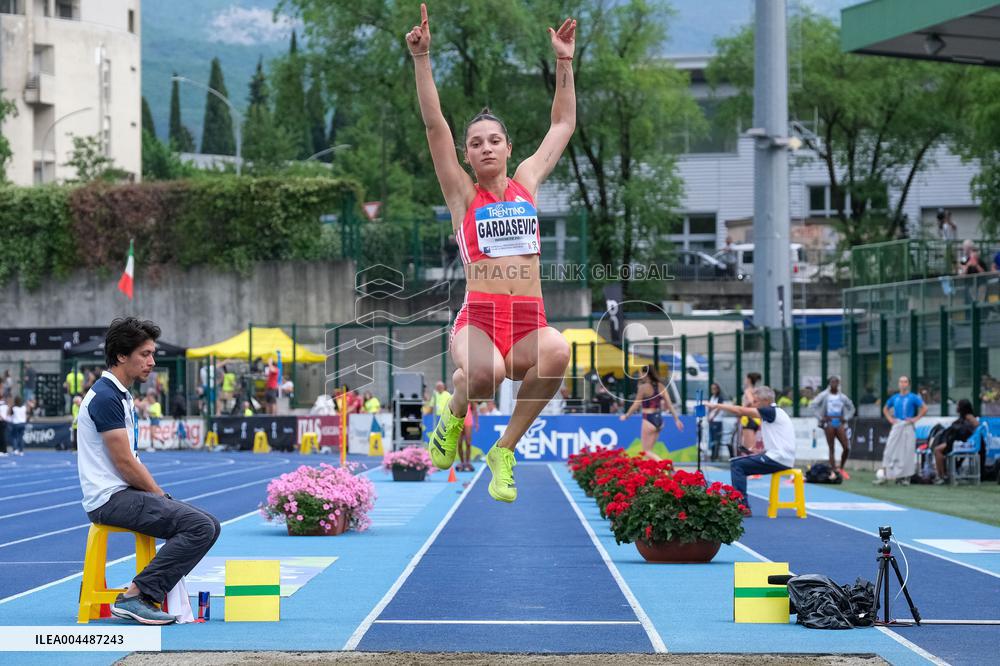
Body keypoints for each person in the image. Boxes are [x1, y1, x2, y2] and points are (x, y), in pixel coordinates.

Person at [408, 4, 576, 502]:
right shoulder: (462, 194)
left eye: (494, 140)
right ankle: (454, 413)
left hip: (529, 315)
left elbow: (563, 124)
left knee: (560, 352)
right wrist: (423, 59)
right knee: (485, 377)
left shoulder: (527, 181)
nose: (485, 148)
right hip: (479, 316)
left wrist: (564, 62)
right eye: (475, 143)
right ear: (467, 154)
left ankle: (503, 450)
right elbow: (435, 125)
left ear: (508, 147)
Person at [77, 317, 220, 624]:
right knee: (200, 527)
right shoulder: (105, 398)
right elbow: (125, 463)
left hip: (123, 494)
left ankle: (146, 592)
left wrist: (159, 496)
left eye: (152, 354)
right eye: (145, 354)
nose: (152, 362)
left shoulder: (119, 395)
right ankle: (136, 595)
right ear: (121, 356)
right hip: (109, 499)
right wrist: (159, 495)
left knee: (209, 523)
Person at [712, 386, 796, 515]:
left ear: (766, 401)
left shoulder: (770, 411)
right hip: (781, 457)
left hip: (780, 459)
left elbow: (739, 410)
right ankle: (740, 503)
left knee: (737, 464)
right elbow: (779, 441)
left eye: (756, 401)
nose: (754, 404)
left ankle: (742, 506)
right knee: (739, 462)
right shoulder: (774, 412)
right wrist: (761, 452)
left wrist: (716, 405)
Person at [619, 366, 682, 461]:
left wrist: (626, 415)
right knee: (650, 451)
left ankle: (664, 464)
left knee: (646, 451)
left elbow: (636, 405)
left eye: (641, 373)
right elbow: (670, 405)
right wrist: (676, 420)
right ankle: (656, 470)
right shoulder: (661, 386)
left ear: (646, 374)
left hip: (648, 419)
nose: (640, 375)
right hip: (659, 420)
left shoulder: (643, 388)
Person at [876, 375, 927, 485]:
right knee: (889, 449)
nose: (903, 384)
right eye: (901, 382)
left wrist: (915, 419)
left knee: (907, 452)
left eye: (905, 382)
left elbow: (924, 408)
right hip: (897, 424)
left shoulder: (913, 397)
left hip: (908, 425)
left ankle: (905, 478)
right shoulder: (895, 398)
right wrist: (891, 419)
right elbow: (885, 409)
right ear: (898, 384)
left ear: (908, 384)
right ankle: (885, 475)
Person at [810, 376, 856, 479]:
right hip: (829, 423)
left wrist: (846, 417)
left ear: (839, 383)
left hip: (839, 422)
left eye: (836, 382)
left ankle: (841, 468)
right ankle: (834, 470)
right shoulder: (824, 395)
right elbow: (813, 406)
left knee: (846, 446)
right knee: (832, 447)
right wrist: (821, 418)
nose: (834, 383)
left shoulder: (842, 397)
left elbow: (852, 408)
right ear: (829, 383)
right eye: (832, 382)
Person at [932, 398, 979, 484]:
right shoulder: (962, 418)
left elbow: (976, 426)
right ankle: (943, 474)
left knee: (937, 450)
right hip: (956, 441)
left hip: (962, 444)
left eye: (958, 405)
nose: (956, 407)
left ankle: (942, 476)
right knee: (938, 446)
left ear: (962, 407)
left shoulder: (969, 417)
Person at [739, 372, 763, 454]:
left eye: (745, 379)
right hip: (757, 419)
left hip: (748, 419)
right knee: (755, 446)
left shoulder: (748, 390)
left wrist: (743, 408)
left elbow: (751, 401)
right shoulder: (757, 391)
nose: (744, 380)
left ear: (749, 379)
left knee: (749, 448)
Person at [706, 382, 727, 461]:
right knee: (711, 438)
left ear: (718, 390)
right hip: (711, 420)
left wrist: (713, 416)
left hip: (717, 420)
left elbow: (718, 408)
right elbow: (709, 408)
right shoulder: (711, 397)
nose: (713, 390)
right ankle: (712, 455)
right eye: (712, 389)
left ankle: (716, 455)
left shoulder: (720, 398)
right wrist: (708, 417)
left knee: (716, 438)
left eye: (714, 389)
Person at [458, 403, 478, 472]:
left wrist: (476, 423)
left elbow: (474, 410)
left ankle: (468, 462)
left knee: (468, 443)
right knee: (459, 443)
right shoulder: (458, 394)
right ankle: (462, 462)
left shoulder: (470, 396)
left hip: (468, 420)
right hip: (458, 420)